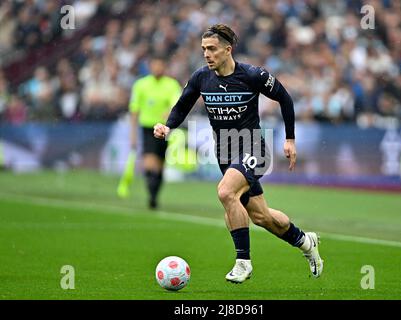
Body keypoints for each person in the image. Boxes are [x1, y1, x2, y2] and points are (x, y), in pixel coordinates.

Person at [153, 24, 323, 283]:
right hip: (225, 153)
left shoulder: (252, 75)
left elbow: (285, 98)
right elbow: (182, 105)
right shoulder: (201, 78)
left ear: (227, 49)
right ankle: (305, 241)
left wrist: (290, 139)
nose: (206, 54)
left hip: (254, 148)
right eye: (203, 49)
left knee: (225, 192)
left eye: (212, 49)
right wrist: (168, 126)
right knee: (262, 217)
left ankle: (243, 262)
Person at [129, 56, 182, 209]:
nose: (158, 68)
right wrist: (132, 134)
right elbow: (134, 110)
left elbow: (176, 104)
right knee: (150, 163)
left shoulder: (171, 85)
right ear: (150, 66)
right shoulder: (141, 85)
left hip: (164, 130)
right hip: (147, 128)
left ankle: (154, 196)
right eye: (155, 65)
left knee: (159, 165)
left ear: (164, 67)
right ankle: (152, 196)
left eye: (160, 65)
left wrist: (169, 113)